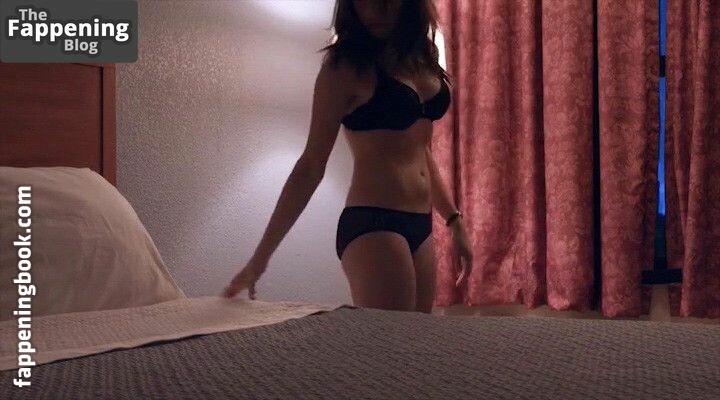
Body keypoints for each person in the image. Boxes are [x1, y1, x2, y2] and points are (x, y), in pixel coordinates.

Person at [223, 0, 473, 314]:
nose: (375, 10)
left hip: (421, 225)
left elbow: (420, 149)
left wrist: (454, 221)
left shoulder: (422, 57)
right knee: (392, 340)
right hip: (373, 221)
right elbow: (311, 165)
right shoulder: (343, 68)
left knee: (417, 339)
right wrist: (260, 260)